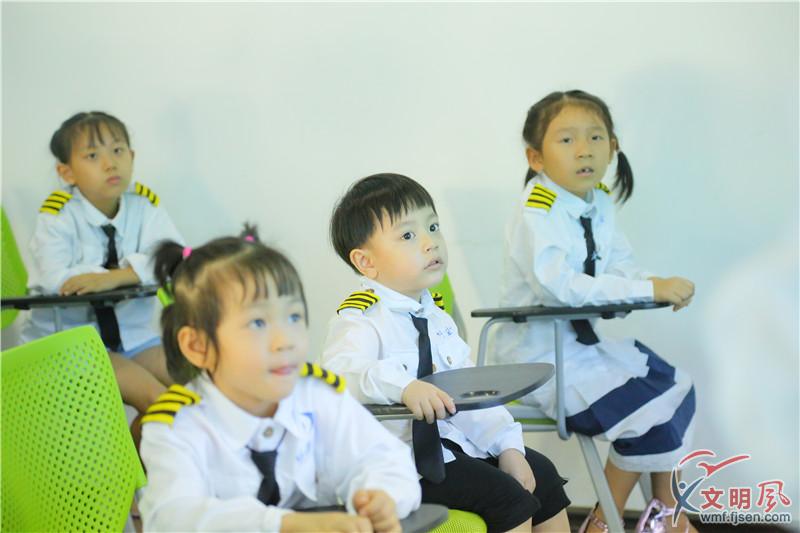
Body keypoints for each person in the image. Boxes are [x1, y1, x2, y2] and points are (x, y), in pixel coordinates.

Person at [322, 174, 570, 533]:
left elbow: (471, 392)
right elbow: (342, 374)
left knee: (542, 475)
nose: (430, 243)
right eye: (408, 235)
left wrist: (508, 446)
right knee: (507, 498)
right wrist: (405, 387)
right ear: (366, 262)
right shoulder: (360, 319)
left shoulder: (436, 318)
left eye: (433, 227)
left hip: (449, 448)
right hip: (397, 465)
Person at [496, 90, 697, 532]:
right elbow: (562, 288)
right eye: (566, 139)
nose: (584, 150)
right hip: (540, 359)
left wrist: (656, 286)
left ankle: (666, 515)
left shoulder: (598, 200)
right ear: (535, 157)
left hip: (580, 349)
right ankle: (605, 521)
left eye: (595, 137)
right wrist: (648, 289)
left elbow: (621, 265)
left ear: (613, 147)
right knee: (649, 409)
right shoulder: (537, 211)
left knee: (676, 386)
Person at [139, 226, 420, 533]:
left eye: (293, 317)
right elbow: (172, 518)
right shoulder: (179, 425)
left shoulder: (316, 394)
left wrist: (381, 496)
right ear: (198, 346)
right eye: (258, 322)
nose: (285, 340)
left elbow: (383, 457)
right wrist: (283, 525)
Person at [22, 111, 181, 413]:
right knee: (160, 401)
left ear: (132, 156)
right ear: (67, 172)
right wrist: (135, 271)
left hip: (133, 338)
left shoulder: (144, 205)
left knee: (203, 386)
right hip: (72, 344)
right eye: (93, 155)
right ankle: (139, 446)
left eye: (118, 150)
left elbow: (172, 257)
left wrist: (114, 277)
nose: (110, 163)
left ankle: (141, 442)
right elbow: (56, 279)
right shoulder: (57, 215)